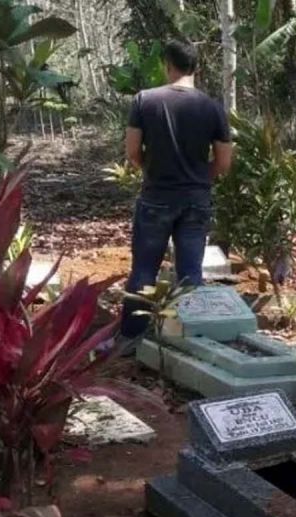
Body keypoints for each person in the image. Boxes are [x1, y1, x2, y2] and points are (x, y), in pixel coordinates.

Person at [119, 39, 233, 343]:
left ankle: (131, 341)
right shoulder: (212, 108)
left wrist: (152, 170)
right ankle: (190, 339)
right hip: (196, 201)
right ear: (196, 67)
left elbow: (132, 151)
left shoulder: (145, 100)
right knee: (190, 274)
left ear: (167, 65)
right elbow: (223, 162)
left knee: (144, 270)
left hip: (156, 197)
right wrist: (199, 178)